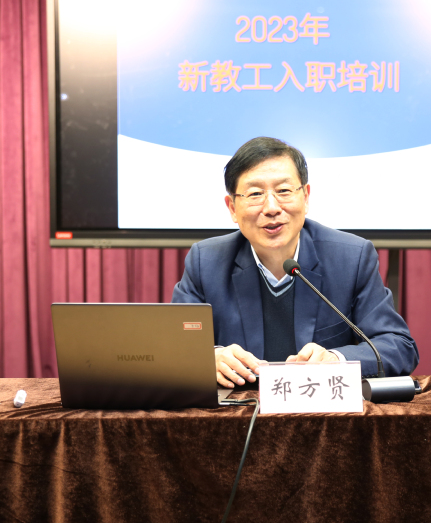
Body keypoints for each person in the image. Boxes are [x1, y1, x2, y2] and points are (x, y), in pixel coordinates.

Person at [172, 137, 418, 388]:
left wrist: (336, 359)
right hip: (238, 406)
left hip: (319, 405)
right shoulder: (206, 261)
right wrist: (209, 357)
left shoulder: (351, 258)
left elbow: (398, 346)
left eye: (283, 191)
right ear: (232, 208)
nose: (271, 208)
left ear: (306, 197)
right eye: (255, 194)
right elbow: (172, 345)